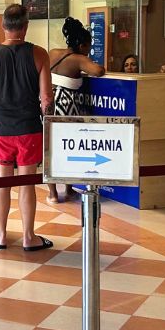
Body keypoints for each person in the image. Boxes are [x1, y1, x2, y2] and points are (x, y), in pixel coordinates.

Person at [0, 3, 54, 251]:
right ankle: (29, 237)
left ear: (3, 26)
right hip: (29, 128)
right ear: (26, 26)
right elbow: (46, 99)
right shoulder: (40, 54)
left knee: (1, 183)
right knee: (26, 184)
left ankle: (1, 235)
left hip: (0, 130)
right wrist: (48, 129)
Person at [47, 17, 106, 204]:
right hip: (65, 106)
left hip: (47, 103)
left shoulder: (53, 53)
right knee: (67, 147)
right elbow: (98, 71)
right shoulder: (79, 59)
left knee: (50, 148)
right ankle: (68, 189)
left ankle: (52, 194)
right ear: (81, 45)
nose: (89, 50)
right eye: (89, 46)